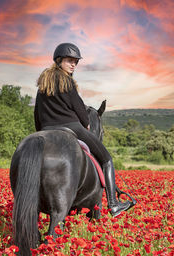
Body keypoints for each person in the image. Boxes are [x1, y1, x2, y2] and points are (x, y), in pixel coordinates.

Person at [34, 43, 133, 217]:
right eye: (69, 60)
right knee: (107, 159)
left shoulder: (44, 84)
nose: (73, 65)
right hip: (71, 127)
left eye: (75, 62)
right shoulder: (67, 81)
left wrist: (41, 132)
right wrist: (86, 122)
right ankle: (113, 204)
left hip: (45, 130)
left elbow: (37, 113)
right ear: (59, 60)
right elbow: (80, 109)